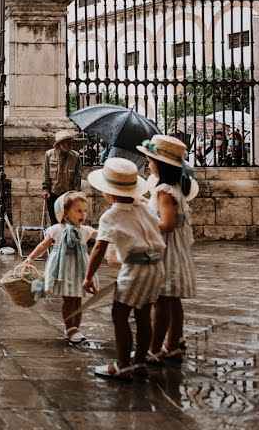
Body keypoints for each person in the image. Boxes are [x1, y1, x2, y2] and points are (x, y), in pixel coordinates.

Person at [83, 157, 165, 381]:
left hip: (135, 268)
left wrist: (89, 276)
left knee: (119, 314)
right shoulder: (145, 208)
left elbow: (99, 248)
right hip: (157, 266)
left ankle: (122, 365)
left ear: (107, 193)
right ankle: (139, 362)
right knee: (143, 314)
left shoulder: (111, 215)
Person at [137, 135, 198, 365]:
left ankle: (155, 348)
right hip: (177, 250)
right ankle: (174, 343)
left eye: (150, 160)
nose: (148, 164)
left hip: (167, 251)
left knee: (161, 301)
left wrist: (147, 227)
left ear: (159, 165)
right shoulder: (174, 188)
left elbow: (168, 223)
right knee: (173, 300)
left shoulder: (163, 190)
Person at [24, 191, 97, 344]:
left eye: (84, 210)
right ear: (65, 212)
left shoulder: (85, 230)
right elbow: (44, 245)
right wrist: (31, 257)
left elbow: (101, 235)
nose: (82, 214)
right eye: (78, 210)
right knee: (70, 300)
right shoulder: (57, 229)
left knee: (78, 300)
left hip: (80, 270)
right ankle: (70, 328)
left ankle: (75, 328)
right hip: (64, 270)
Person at [42, 129, 82, 226]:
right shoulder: (49, 155)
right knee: (54, 221)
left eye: (69, 141)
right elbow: (46, 173)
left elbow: (78, 176)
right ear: (60, 144)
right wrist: (45, 190)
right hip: (53, 193)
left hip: (68, 194)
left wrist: (77, 193)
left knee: (69, 221)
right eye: (65, 141)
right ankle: (56, 240)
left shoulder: (75, 156)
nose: (68, 144)